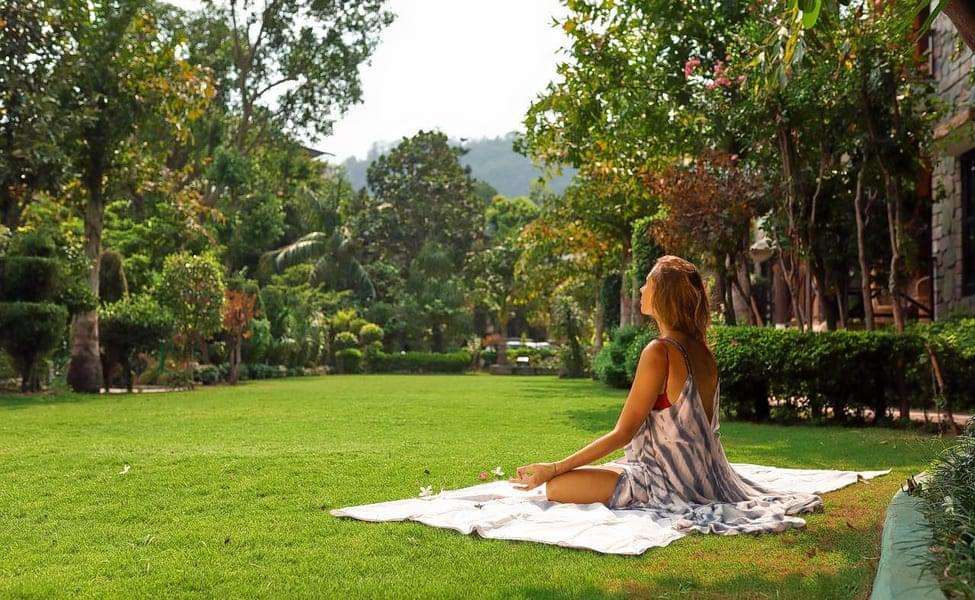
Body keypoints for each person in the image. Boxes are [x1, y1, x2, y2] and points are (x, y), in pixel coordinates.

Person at [509, 255, 823, 521]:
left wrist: (553, 468)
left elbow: (623, 434)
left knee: (557, 487)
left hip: (666, 479)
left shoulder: (659, 352)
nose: (642, 289)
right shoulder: (703, 352)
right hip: (702, 474)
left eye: (648, 283)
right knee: (589, 475)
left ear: (663, 294)